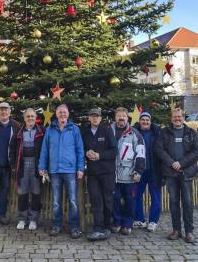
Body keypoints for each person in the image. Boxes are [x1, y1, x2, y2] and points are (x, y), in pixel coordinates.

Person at [154, 107, 198, 243]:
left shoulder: (191, 133)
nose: (177, 119)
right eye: (175, 117)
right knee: (174, 202)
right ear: (171, 118)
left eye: (179, 116)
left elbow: (196, 152)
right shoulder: (164, 133)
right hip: (170, 173)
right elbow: (159, 149)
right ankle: (176, 230)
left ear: (183, 117)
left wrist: (181, 163)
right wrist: (171, 163)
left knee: (187, 202)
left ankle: (189, 232)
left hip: (186, 172)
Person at [38, 103, 85, 238]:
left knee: (73, 201)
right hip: (54, 170)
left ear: (68, 114)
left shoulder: (74, 129)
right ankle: (56, 225)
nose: (62, 114)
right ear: (56, 114)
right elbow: (45, 150)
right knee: (56, 202)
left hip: (70, 170)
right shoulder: (50, 129)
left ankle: (75, 227)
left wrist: (80, 168)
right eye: (60, 112)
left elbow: (80, 150)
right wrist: (42, 166)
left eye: (64, 112)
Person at [80, 108, 117, 241]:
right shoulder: (84, 132)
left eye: (97, 116)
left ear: (101, 118)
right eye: (92, 116)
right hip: (93, 173)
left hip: (107, 172)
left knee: (107, 200)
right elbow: (80, 148)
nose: (95, 118)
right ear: (89, 118)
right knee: (95, 200)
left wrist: (100, 155)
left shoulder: (107, 131)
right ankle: (98, 227)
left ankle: (108, 225)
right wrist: (86, 152)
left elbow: (114, 151)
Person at [110, 107, 146, 235]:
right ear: (115, 117)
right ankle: (117, 222)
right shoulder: (109, 131)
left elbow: (141, 154)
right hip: (112, 175)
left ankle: (127, 224)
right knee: (115, 199)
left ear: (127, 118)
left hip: (129, 175)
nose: (121, 118)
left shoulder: (135, 134)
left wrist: (138, 172)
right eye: (119, 115)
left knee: (130, 201)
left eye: (124, 116)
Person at [9, 108, 45, 231]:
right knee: (22, 194)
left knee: (36, 194)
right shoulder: (18, 133)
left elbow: (45, 150)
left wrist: (44, 166)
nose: (30, 118)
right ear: (24, 118)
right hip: (22, 166)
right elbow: (12, 150)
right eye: (28, 116)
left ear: (36, 118)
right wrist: (14, 165)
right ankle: (22, 219)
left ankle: (33, 220)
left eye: (32, 116)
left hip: (36, 166)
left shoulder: (41, 132)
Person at [132, 111, 162, 232]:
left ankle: (153, 221)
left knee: (156, 197)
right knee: (136, 195)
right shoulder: (134, 133)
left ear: (150, 121)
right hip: (140, 170)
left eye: (147, 120)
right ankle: (140, 219)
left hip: (154, 170)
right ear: (139, 121)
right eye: (143, 119)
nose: (145, 122)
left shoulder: (157, 133)